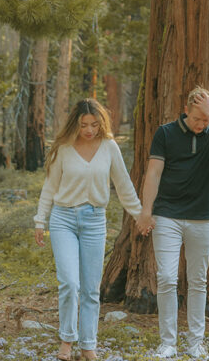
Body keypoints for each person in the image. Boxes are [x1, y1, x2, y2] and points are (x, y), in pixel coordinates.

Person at [34, 98, 141, 361]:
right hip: (63, 219)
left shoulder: (109, 147)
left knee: (91, 289)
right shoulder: (63, 148)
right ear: (75, 124)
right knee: (69, 283)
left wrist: (140, 215)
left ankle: (88, 346)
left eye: (94, 124)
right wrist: (40, 220)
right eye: (84, 125)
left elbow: (124, 185)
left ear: (101, 123)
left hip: (94, 220)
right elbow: (49, 186)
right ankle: (66, 342)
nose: (90, 130)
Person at [135, 86, 209, 360]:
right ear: (185, 111)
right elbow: (154, 173)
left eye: (205, 119)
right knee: (167, 278)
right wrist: (146, 211)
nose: (201, 124)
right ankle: (167, 342)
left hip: (203, 217)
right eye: (197, 118)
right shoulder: (165, 133)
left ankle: (196, 343)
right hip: (167, 214)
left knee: (198, 281)